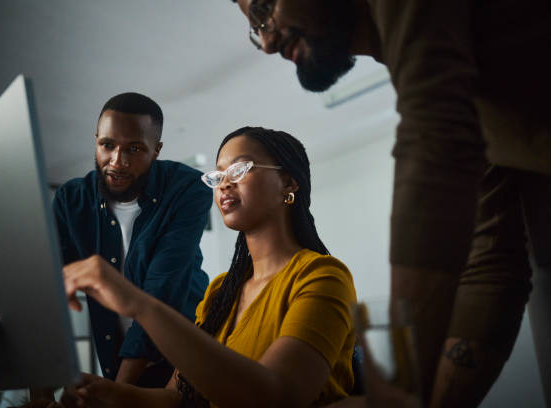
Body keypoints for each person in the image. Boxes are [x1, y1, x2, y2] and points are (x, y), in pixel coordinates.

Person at [229, 1, 551, 407]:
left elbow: (436, 140)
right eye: (256, 29)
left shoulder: (433, 94)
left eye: (263, 9)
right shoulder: (452, 77)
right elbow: (490, 262)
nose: (269, 41)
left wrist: (399, 377)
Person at [58, 126, 358, 407]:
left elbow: (277, 396)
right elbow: (179, 399)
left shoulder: (323, 277)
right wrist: (112, 394)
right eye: (217, 176)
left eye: (240, 169)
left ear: (288, 183)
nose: (224, 183)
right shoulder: (220, 291)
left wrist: (139, 304)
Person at [52, 92, 212, 388]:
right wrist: (43, 391)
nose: (117, 161)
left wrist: (118, 395)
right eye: (107, 145)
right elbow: (51, 296)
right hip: (116, 358)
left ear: (156, 150)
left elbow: (161, 294)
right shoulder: (71, 200)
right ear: (96, 139)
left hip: (186, 355)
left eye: (135, 148)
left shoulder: (188, 189)